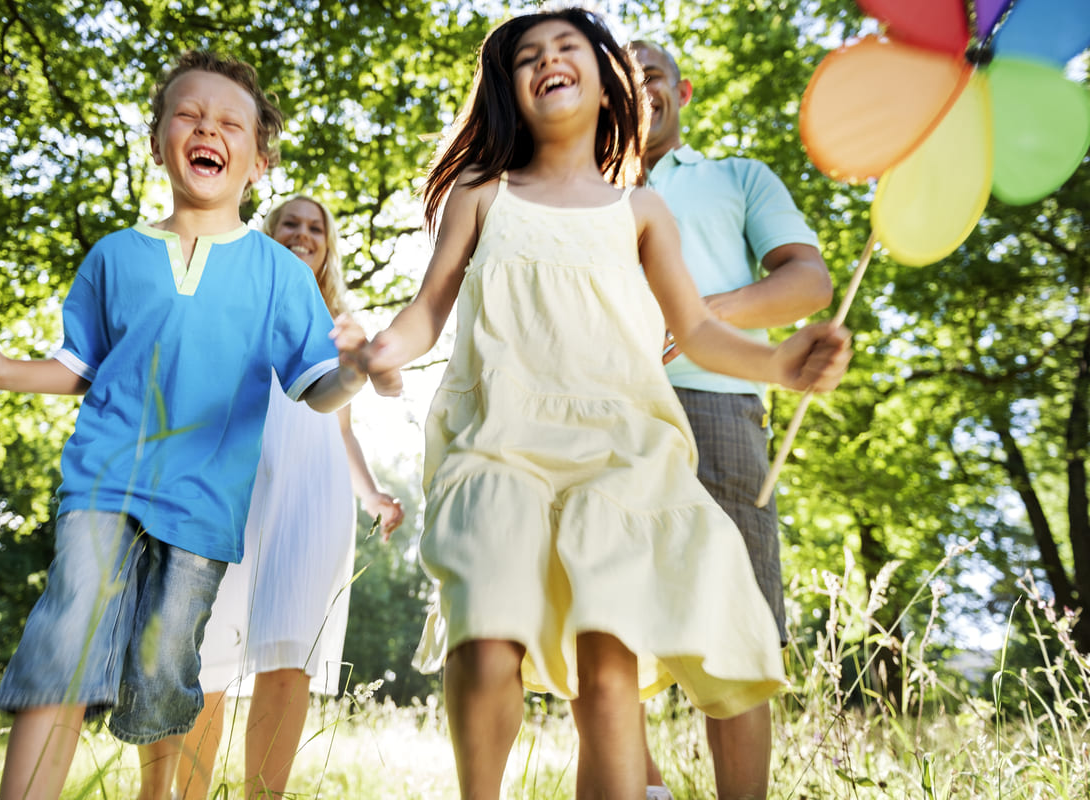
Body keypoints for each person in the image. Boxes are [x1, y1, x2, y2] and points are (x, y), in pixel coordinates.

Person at [353, 9, 851, 799]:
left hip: (620, 454)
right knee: (485, 639)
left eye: (567, 47)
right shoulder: (483, 195)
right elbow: (427, 310)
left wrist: (781, 362)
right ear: (509, 91)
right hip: (499, 443)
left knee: (610, 669)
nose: (548, 60)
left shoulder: (642, 211)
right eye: (528, 56)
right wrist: (382, 348)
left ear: (605, 79)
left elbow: (693, 329)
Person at [0, 51, 397, 800]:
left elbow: (318, 391)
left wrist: (360, 368)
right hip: (105, 483)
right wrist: (1, 368)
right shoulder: (114, 257)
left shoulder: (279, 276)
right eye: (188, 114)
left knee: (163, 677)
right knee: (65, 640)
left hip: (204, 512)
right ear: (158, 141)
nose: (206, 128)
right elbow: (80, 364)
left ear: (258, 161)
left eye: (229, 122)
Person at [627, 38, 835, 800]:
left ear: (681, 93)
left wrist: (706, 312)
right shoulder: (575, 189)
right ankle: (640, 787)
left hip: (716, 399)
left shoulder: (737, 177)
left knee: (737, 617)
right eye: (622, 74)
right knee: (600, 611)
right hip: (601, 408)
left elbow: (809, 279)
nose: (637, 85)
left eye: (652, 73)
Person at [172, 195, 405, 800]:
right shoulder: (231, 296)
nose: (303, 235)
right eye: (290, 224)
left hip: (315, 488)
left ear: (328, 246)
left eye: (316, 228)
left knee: (289, 655)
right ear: (267, 234)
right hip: (236, 479)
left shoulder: (340, 325)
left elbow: (344, 430)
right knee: (207, 651)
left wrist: (375, 494)